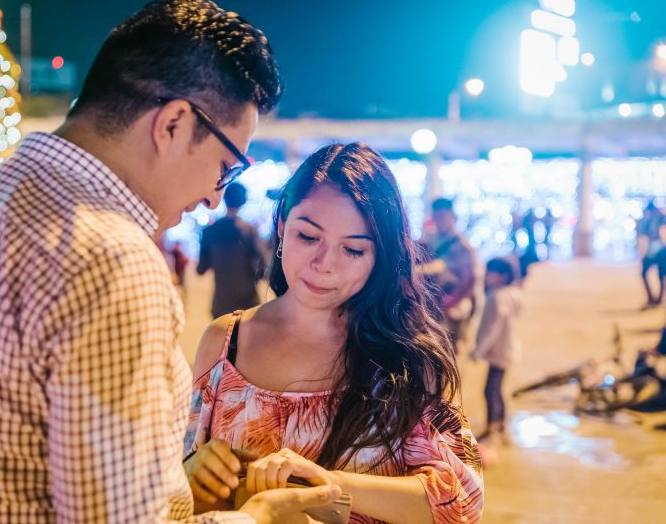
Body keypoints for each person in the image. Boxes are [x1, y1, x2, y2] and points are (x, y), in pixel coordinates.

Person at [0, 0, 341, 522]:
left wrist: (175, 486)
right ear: (173, 124)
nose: (214, 197)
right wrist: (259, 517)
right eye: (225, 167)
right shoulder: (112, 260)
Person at [183, 144, 484, 523]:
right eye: (308, 237)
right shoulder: (225, 343)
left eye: (353, 250)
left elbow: (461, 501)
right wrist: (191, 476)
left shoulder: (407, 356)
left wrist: (330, 483)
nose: (324, 265)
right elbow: (181, 479)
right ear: (281, 227)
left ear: (380, 257)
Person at [469, 257, 523, 447]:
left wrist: (478, 351)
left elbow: (493, 328)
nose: (486, 277)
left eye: (490, 273)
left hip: (500, 351)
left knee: (490, 390)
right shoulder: (514, 294)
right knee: (497, 389)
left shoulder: (497, 297)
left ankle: (493, 428)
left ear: (502, 276)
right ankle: (501, 426)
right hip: (509, 349)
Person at [198, 182, 266, 318]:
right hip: (248, 304)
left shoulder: (210, 231)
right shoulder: (249, 231)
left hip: (222, 305)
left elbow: (201, 269)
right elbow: (262, 269)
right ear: (243, 201)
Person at [420, 197, 477, 353]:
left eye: (444, 216)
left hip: (451, 309)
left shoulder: (462, 246)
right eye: (437, 216)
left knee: (447, 352)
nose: (440, 220)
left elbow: (469, 280)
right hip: (431, 306)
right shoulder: (428, 240)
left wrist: (449, 304)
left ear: (452, 216)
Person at [636, 201, 666, 308]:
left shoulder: (657, 218)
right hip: (655, 249)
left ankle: (655, 299)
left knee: (660, 275)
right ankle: (654, 299)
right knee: (659, 275)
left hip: (659, 249)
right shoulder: (654, 218)